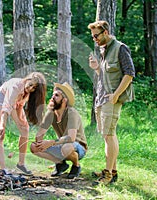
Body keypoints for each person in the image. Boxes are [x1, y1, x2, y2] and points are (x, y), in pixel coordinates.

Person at [88, 20, 135, 185]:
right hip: (101, 98)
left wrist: (115, 95)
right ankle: (112, 171)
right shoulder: (103, 50)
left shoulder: (120, 48)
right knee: (107, 134)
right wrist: (96, 67)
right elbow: (106, 74)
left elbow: (129, 74)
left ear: (105, 32)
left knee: (109, 134)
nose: (94, 39)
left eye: (96, 35)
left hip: (112, 99)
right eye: (93, 36)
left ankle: (107, 175)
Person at [30, 82, 88, 179]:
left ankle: (76, 166)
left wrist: (51, 142)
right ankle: (60, 164)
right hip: (61, 144)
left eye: (56, 95)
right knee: (34, 147)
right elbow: (40, 134)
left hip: (77, 146)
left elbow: (71, 138)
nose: (52, 97)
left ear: (64, 100)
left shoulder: (71, 113)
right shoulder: (51, 112)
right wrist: (39, 142)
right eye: (53, 95)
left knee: (67, 147)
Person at [0, 72, 47, 175]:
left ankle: (21, 164)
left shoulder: (27, 93)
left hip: (14, 104)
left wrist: (21, 122)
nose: (31, 89)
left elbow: (19, 106)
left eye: (34, 88)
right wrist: (2, 125)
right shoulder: (15, 86)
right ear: (27, 79)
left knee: (25, 129)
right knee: (0, 134)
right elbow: (7, 107)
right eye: (30, 85)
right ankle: (3, 168)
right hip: (2, 99)